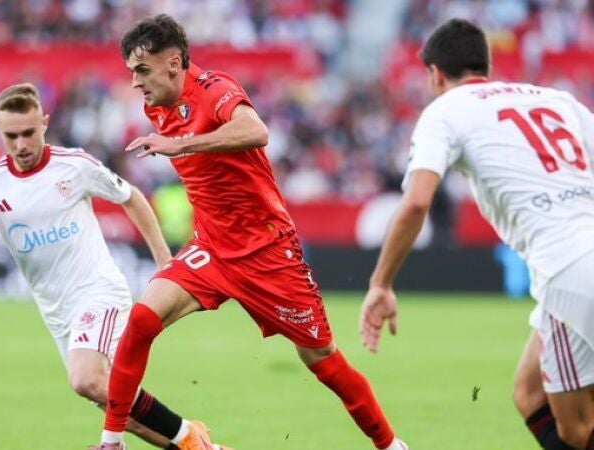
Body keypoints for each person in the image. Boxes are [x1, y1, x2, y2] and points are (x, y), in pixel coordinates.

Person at [93, 14, 408, 450]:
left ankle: (392, 446)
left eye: (142, 70)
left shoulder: (215, 89)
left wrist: (181, 144)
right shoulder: (156, 106)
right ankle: (111, 442)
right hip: (212, 248)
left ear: (174, 63)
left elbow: (255, 131)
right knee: (142, 319)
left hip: (267, 252)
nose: (135, 81)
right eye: (132, 71)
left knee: (322, 360)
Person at [359, 19, 594, 450]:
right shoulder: (556, 99)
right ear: (485, 65)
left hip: (568, 269)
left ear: (435, 74)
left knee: (576, 430)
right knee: (530, 393)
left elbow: (416, 202)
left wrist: (381, 283)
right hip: (576, 259)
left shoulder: (445, 110)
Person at [0, 82, 231, 450]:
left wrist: (164, 263)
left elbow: (131, 197)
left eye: (28, 133)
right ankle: (197, 446)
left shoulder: (74, 165)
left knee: (86, 380)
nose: (21, 144)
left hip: (97, 290)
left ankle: (187, 435)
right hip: (56, 311)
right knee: (111, 403)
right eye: (11, 136)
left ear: (44, 123)